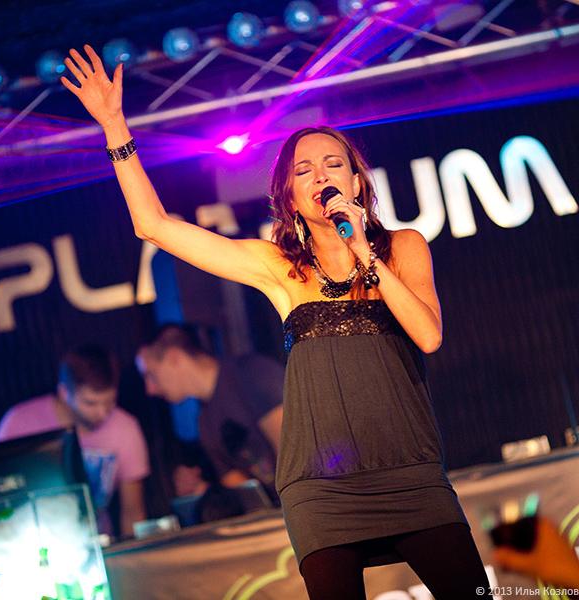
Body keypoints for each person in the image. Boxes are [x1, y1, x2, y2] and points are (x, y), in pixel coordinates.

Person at [60, 45, 489, 599]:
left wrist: (364, 253)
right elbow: (153, 225)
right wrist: (114, 125)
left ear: (357, 183)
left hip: (409, 471)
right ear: (289, 195)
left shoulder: (402, 248)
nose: (320, 176)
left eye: (333, 165)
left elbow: (427, 335)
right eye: (303, 170)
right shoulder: (279, 268)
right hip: (321, 489)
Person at [0, 344, 149, 537]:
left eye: (109, 402)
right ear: (64, 393)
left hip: (97, 541)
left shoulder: (125, 427)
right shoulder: (18, 422)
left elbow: (133, 512)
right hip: (28, 542)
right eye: (90, 403)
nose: (102, 413)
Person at [137, 324, 284, 501]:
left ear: (174, 357)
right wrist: (206, 491)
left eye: (151, 375)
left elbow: (296, 452)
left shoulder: (254, 373)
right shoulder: (205, 423)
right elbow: (247, 496)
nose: (149, 389)